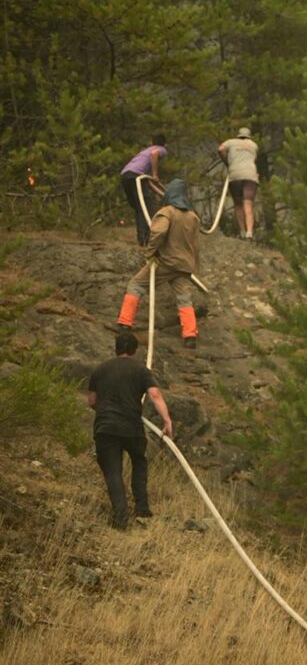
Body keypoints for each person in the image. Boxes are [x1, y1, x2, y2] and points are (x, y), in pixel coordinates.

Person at [87, 332, 172, 530]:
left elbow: (92, 400)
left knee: (113, 471)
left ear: (116, 348)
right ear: (134, 350)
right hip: (131, 427)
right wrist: (166, 420)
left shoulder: (100, 369)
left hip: (105, 427)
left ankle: (121, 517)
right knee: (139, 462)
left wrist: (105, 410)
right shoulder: (141, 370)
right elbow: (155, 394)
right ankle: (142, 507)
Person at [116, 178, 201, 348]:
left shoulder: (167, 212)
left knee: (136, 285)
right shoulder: (193, 217)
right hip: (184, 266)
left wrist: (151, 253)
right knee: (184, 298)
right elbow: (196, 245)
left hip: (167, 262)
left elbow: (158, 232)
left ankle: (125, 323)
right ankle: (190, 335)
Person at [120, 134, 168, 246]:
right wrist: (155, 174)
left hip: (126, 176)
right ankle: (145, 240)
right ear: (164, 144)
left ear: (151, 142)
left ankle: (142, 239)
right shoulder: (161, 149)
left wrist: (163, 194)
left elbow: (148, 182)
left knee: (139, 207)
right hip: (135, 177)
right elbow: (154, 154)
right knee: (145, 207)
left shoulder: (144, 154)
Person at [217, 127, 259, 240]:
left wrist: (227, 161)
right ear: (249, 136)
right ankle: (250, 232)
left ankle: (242, 231)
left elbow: (220, 149)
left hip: (235, 174)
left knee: (238, 204)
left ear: (238, 135)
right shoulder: (254, 145)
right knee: (248, 203)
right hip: (250, 174)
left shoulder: (231, 142)